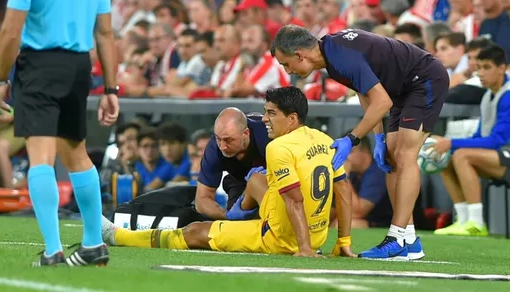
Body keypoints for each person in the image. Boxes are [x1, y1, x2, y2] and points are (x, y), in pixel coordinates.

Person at [0, 0, 120, 267]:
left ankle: (52, 250)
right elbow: (106, 33)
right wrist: (111, 87)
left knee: (41, 158)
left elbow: (11, 32)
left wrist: (1, 77)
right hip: (79, 67)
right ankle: (93, 243)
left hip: (39, 66)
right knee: (76, 154)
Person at [101, 86, 355, 257]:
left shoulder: (277, 146)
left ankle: (120, 237)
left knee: (195, 231)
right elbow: (343, 189)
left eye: (271, 114)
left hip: (281, 236)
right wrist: (343, 242)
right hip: (316, 234)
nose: (265, 119)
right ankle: (239, 214)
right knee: (256, 179)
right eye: (265, 113)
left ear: (292, 118)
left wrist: (303, 249)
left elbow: (294, 200)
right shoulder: (324, 140)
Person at [271, 25, 449, 260]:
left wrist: (352, 138)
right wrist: (378, 137)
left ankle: (396, 238)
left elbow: (382, 102)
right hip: (401, 89)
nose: (288, 71)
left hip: (424, 79)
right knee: (392, 159)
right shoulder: (332, 56)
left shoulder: (340, 56)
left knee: (405, 155)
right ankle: (409, 240)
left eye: (286, 64)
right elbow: (366, 94)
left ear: (300, 55)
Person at [432, 45, 510, 237]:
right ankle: (463, 219)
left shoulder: (510, 95)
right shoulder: (488, 96)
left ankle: (476, 222)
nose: (481, 73)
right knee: (445, 158)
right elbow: (479, 136)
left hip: (507, 154)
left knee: (461, 155)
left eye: (487, 67)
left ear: (502, 68)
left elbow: (496, 141)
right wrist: (448, 145)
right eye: (479, 68)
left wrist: (452, 143)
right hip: (499, 156)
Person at [194, 108, 270, 220]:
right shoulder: (214, 148)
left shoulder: (267, 135)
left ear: (246, 134)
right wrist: (228, 216)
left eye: (228, 140)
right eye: (218, 139)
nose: (222, 147)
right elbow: (201, 200)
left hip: (273, 180)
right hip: (238, 182)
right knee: (237, 225)